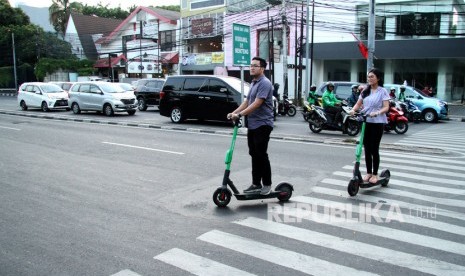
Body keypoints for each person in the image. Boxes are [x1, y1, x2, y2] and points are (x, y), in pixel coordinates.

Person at [227, 57, 274, 195]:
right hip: (253, 124)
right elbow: (248, 101)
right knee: (254, 154)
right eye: (251, 65)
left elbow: (257, 103)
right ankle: (255, 184)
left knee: (261, 154)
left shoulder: (265, 83)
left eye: (255, 66)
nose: (251, 68)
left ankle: (267, 184)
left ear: (262, 68)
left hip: (263, 124)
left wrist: (240, 115)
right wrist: (234, 112)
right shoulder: (254, 83)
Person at [349, 68, 390, 184]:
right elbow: (358, 104)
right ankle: (368, 173)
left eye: (372, 76)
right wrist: (353, 110)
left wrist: (377, 112)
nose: (369, 79)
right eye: (368, 77)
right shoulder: (365, 91)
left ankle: (375, 174)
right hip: (366, 122)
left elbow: (386, 107)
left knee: (374, 149)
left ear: (378, 78)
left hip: (377, 123)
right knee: (366, 148)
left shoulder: (383, 91)